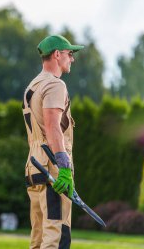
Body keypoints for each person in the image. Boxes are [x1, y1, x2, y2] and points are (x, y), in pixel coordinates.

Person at [22, 35, 84, 249]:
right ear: (57, 54)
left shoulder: (33, 86)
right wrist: (64, 167)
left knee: (38, 237)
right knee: (55, 236)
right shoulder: (55, 85)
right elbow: (53, 126)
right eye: (69, 54)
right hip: (52, 169)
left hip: (35, 166)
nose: (72, 59)